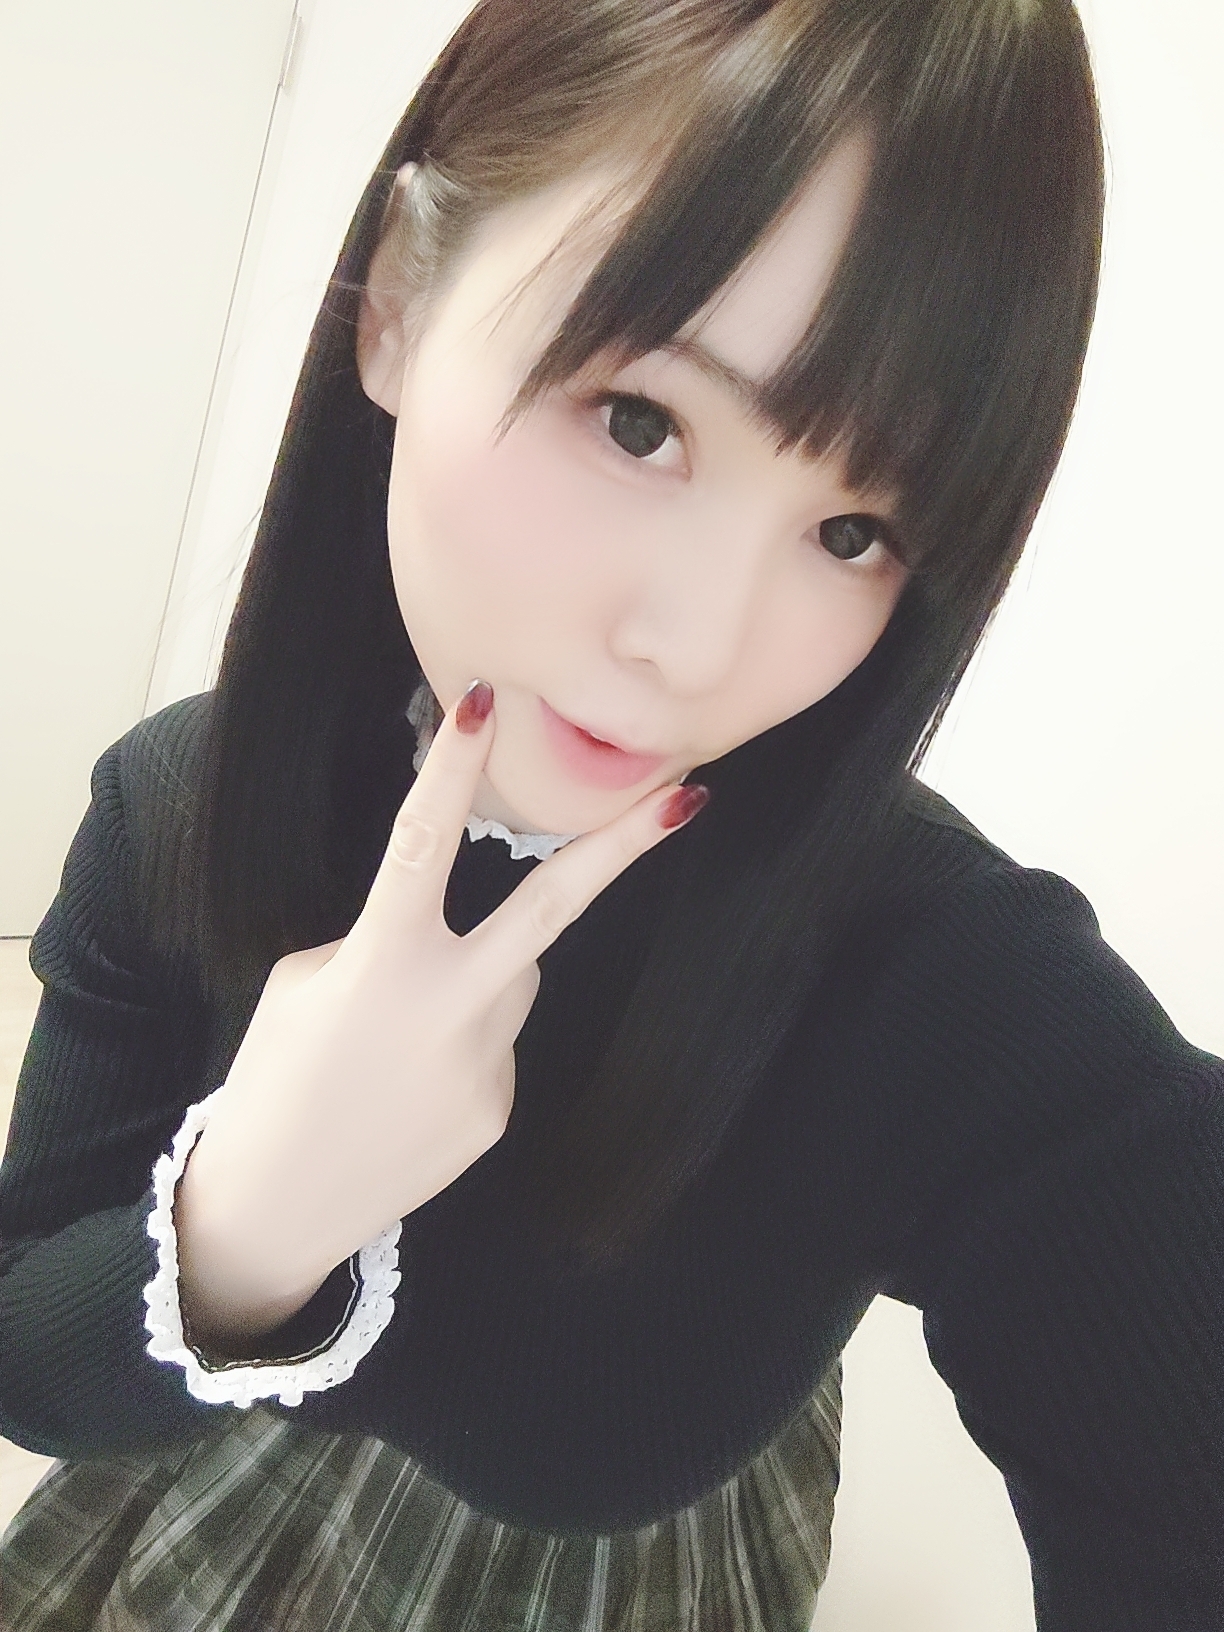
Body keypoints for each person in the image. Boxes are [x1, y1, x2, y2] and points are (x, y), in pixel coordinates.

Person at [1, 0, 1221, 1626]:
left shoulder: (933, 973)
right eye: (641, 422)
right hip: (198, 1463)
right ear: (398, 301)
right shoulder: (175, 802)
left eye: (856, 530)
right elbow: (30, 1352)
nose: (698, 649)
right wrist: (244, 1224)